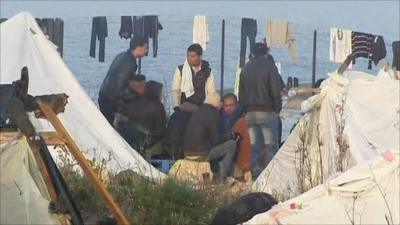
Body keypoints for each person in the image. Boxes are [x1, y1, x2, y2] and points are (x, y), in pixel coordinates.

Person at [239, 42, 282, 180]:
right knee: (270, 147)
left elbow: (241, 94)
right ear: (266, 52)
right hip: (267, 112)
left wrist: (245, 110)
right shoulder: (270, 67)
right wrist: (277, 109)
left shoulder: (245, 68)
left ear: (252, 53)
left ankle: (256, 177)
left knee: (255, 147)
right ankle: (270, 179)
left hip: (250, 114)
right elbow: (275, 91)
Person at [183, 92, 239, 180]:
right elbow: (216, 140)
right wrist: (230, 136)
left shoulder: (197, 111)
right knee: (231, 145)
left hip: (186, 152)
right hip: (201, 154)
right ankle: (223, 175)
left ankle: (216, 172)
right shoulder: (213, 114)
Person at [98, 36, 148, 124]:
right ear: (138, 47)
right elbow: (118, 88)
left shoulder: (123, 55)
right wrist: (135, 96)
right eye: (145, 48)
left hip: (104, 95)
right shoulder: (129, 63)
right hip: (110, 101)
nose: (147, 51)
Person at [171, 43, 216, 108]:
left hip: (201, 108)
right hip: (184, 107)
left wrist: (209, 109)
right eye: (188, 55)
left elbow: (211, 92)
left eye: (192, 56)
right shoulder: (180, 70)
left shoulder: (207, 71)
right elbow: (175, 91)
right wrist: (176, 107)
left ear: (200, 57)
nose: (189, 58)